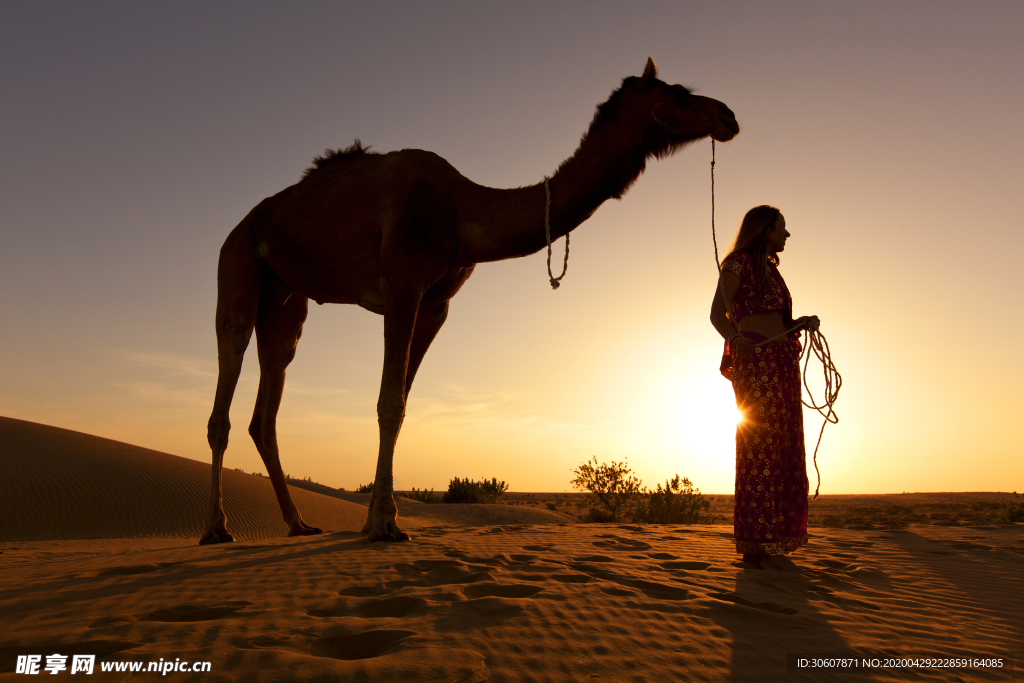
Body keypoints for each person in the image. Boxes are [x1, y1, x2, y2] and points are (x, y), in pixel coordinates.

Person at [709, 205, 819, 572]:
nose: (786, 235)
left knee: (785, 446)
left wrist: (799, 323)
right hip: (756, 361)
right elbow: (717, 313)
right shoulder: (738, 263)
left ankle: (775, 540)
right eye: (782, 228)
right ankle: (754, 547)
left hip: (783, 361)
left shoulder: (773, 271)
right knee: (759, 448)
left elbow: (777, 320)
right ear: (765, 229)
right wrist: (734, 338)